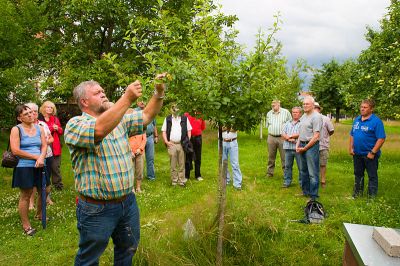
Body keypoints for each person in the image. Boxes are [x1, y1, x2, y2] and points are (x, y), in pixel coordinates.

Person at [64, 73, 167, 265]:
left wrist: (158, 92)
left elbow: (146, 116)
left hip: (127, 203)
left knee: (127, 249)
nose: (103, 94)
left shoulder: (119, 120)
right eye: (98, 92)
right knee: (89, 258)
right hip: (96, 208)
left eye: (103, 90)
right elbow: (99, 130)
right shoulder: (75, 125)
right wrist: (127, 98)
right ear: (84, 101)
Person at [10, 105, 47, 236]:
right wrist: (36, 157)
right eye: (26, 114)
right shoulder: (16, 129)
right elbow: (15, 150)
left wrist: (42, 157)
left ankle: (39, 214)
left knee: (45, 190)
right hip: (24, 165)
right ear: (19, 118)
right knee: (26, 194)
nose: (31, 115)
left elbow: (44, 145)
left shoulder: (40, 128)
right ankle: (26, 225)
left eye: (31, 112)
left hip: (41, 164)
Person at [349, 99, 385, 198]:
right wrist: (351, 147)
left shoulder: (376, 121)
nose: (362, 109)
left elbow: (381, 138)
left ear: (371, 109)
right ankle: (357, 195)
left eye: (365, 107)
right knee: (358, 174)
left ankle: (371, 198)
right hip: (357, 153)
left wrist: (373, 152)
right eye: (361, 107)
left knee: (372, 176)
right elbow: (352, 134)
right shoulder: (357, 120)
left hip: (370, 154)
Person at [26, 103, 54, 210]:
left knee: (46, 179)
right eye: (31, 112)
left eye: (36, 112)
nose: (34, 114)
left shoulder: (43, 124)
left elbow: (51, 138)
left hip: (47, 155)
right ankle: (31, 202)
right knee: (33, 181)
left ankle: (47, 198)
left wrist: (46, 141)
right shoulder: (25, 127)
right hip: (34, 156)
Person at [296, 96, 323, 200]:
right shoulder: (303, 116)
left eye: (307, 104)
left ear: (313, 105)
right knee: (303, 170)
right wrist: (298, 145)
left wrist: (305, 148)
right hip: (302, 145)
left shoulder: (316, 117)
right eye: (304, 104)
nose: (305, 106)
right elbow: (301, 132)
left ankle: (313, 196)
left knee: (313, 172)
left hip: (311, 146)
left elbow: (316, 137)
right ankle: (305, 192)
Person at [161, 104, 192, 187]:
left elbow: (189, 130)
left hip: (182, 144)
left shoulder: (184, 118)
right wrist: (166, 141)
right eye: (173, 108)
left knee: (182, 163)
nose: (175, 110)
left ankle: (181, 180)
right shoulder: (167, 119)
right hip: (172, 144)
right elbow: (163, 131)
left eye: (177, 108)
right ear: (171, 110)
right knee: (173, 164)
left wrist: (187, 141)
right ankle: (174, 180)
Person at [40, 101, 64, 190]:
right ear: (43, 108)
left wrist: (57, 128)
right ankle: (44, 185)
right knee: (45, 167)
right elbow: (41, 131)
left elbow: (61, 131)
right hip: (43, 145)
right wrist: (51, 128)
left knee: (55, 167)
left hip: (55, 146)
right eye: (48, 107)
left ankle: (58, 185)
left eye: (51, 108)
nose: (50, 109)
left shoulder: (55, 119)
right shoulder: (40, 119)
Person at [265, 100, 292, 178]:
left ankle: (285, 173)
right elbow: (267, 125)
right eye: (272, 105)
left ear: (279, 104)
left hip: (282, 138)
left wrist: (287, 135)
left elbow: (290, 124)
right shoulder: (269, 113)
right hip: (271, 137)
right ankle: (270, 172)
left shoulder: (286, 112)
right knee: (271, 156)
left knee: (284, 156)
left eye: (274, 104)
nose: (272, 106)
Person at [314, 102, 334, 188]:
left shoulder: (325, 119)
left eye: (315, 108)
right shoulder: (308, 118)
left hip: (323, 145)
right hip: (311, 146)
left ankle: (323, 181)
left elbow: (331, 130)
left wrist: (325, 136)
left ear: (318, 109)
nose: (314, 110)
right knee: (312, 164)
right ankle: (314, 180)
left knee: (322, 164)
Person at [281, 107, 302, 188]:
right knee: (287, 166)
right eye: (293, 112)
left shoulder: (302, 123)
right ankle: (287, 182)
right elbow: (282, 133)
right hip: (288, 148)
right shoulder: (287, 123)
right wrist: (289, 139)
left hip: (298, 149)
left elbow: (301, 133)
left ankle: (302, 183)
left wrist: (290, 136)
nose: (295, 114)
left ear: (300, 113)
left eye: (296, 112)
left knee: (301, 167)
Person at [138, 101, 159, 181]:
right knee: (140, 159)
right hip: (139, 137)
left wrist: (156, 136)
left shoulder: (150, 112)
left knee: (150, 158)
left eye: (144, 100)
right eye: (140, 100)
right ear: (137, 102)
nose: (142, 102)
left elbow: (154, 125)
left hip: (150, 137)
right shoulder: (135, 112)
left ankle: (151, 176)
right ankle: (140, 177)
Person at [128, 105, 147, 193]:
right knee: (130, 170)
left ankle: (138, 187)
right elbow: (124, 140)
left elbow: (144, 139)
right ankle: (131, 189)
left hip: (140, 151)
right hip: (129, 152)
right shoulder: (126, 128)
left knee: (139, 170)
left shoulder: (141, 126)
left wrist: (140, 149)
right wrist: (130, 151)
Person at [184, 111, 206, 181]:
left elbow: (203, 127)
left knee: (198, 157)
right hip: (189, 138)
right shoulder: (186, 114)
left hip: (198, 138)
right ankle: (186, 176)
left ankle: (198, 175)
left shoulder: (201, 115)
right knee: (188, 156)